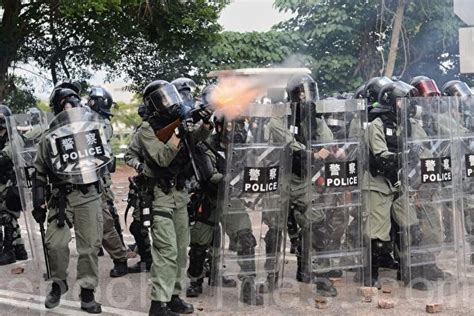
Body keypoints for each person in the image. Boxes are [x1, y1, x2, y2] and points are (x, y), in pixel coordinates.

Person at [138, 79, 212, 315]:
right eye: (161, 100)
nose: (168, 103)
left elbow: (196, 139)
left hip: (180, 195)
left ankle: (174, 296)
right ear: (151, 105)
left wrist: (204, 122)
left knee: (181, 249)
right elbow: (161, 158)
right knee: (166, 251)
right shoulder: (147, 130)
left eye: (169, 97)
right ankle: (157, 304)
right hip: (159, 195)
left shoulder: (179, 123)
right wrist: (177, 133)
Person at [32, 87, 104, 313]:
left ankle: (87, 292)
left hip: (87, 194)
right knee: (55, 244)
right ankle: (59, 283)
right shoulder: (49, 138)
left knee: (89, 247)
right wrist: (38, 202)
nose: (68, 106)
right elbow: (39, 171)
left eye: (72, 101)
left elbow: (106, 147)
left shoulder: (93, 129)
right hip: (61, 197)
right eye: (63, 103)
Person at [285, 74, 338, 296]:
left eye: (310, 92)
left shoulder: (316, 120)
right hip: (283, 178)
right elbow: (287, 143)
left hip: (304, 179)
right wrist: (310, 154)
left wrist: (318, 153)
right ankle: (269, 277)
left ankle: (321, 276)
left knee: (315, 224)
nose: (307, 97)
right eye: (302, 93)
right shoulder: (283, 117)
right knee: (276, 228)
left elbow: (330, 145)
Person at [87, 86, 129, 278]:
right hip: (75, 177)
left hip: (96, 178)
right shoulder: (83, 120)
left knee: (105, 220)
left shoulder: (102, 124)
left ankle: (120, 257)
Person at [124, 104, 152, 273]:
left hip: (171, 188)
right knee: (138, 226)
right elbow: (130, 155)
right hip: (147, 185)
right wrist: (140, 167)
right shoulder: (142, 131)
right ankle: (147, 260)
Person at [0, 104, 28, 265]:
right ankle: (20, 249)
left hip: (12, 182)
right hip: (3, 181)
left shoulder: (14, 137)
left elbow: (6, 156)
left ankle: (9, 250)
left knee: (7, 215)